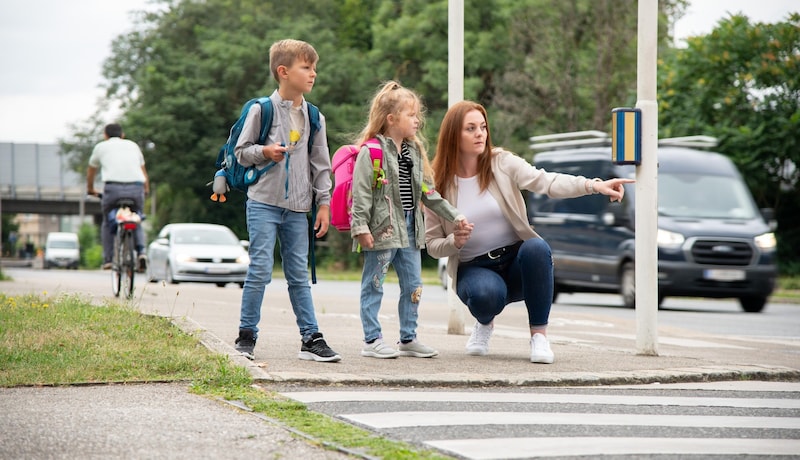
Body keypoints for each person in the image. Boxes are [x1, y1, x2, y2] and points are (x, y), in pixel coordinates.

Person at [424, 101, 633, 363]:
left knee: (537, 247)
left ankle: (539, 337)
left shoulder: (501, 162)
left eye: (483, 127)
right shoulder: (437, 183)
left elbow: (546, 181)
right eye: (470, 128)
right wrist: (454, 241)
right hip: (474, 267)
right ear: (454, 135)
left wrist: (593, 185)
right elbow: (432, 244)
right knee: (486, 296)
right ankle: (485, 324)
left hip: (515, 261)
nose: (480, 133)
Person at [232, 39, 340, 363]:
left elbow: (322, 164)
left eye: (314, 68)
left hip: (299, 207)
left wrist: (324, 203)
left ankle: (311, 338)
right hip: (263, 202)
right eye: (306, 67)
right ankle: (245, 336)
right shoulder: (260, 109)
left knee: (298, 275)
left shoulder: (314, 116)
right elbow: (241, 152)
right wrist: (264, 152)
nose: (313, 74)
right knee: (260, 269)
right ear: (283, 71)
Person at [350, 81, 469, 359]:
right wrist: (360, 227)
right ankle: (372, 339)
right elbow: (361, 193)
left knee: (413, 286)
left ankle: (408, 337)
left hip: (410, 229)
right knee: (374, 284)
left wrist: (456, 215)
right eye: (412, 115)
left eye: (418, 115)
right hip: (381, 229)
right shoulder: (372, 152)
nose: (418, 120)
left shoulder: (414, 153)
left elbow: (429, 194)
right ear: (391, 119)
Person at [87, 123, 149, 272]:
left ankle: (108, 259)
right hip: (136, 187)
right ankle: (141, 253)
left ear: (105, 135)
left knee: (108, 221)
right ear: (122, 135)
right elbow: (143, 171)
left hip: (112, 189)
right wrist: (146, 189)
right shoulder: (133, 146)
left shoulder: (101, 147)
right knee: (136, 218)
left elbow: (91, 171)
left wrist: (90, 189)